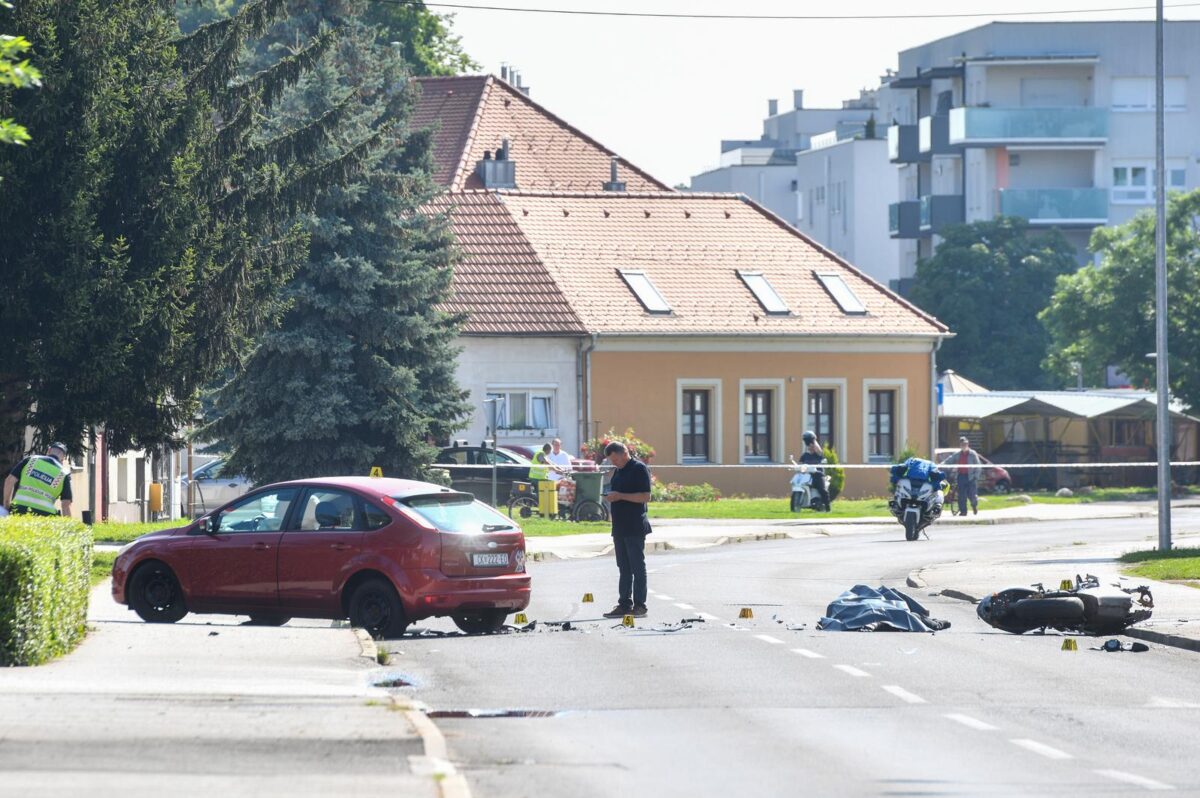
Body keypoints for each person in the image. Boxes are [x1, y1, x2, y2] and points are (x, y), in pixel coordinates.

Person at [600, 441, 652, 619]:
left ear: (624, 453)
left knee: (637, 566)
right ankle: (624, 603)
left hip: (634, 525)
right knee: (623, 567)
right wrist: (611, 496)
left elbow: (646, 496)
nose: (614, 463)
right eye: (611, 460)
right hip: (620, 527)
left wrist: (620, 496)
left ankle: (640, 605)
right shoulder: (619, 471)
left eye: (615, 459)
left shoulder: (639, 469)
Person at [4, 442, 73, 517]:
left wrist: (7, 505)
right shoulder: (64, 473)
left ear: (49, 450)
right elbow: (66, 504)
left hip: (20, 509)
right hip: (45, 515)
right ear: (63, 458)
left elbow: (9, 481)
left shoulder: (30, 460)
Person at [946, 436, 981, 515]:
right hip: (961, 476)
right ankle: (963, 512)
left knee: (972, 495)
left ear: (968, 444)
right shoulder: (957, 454)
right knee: (961, 496)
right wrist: (940, 465)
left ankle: (974, 506)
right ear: (960, 445)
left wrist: (976, 476)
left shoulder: (973, 454)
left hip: (971, 477)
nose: (964, 445)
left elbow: (978, 465)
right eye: (962, 444)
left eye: (965, 444)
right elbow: (949, 460)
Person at [798, 430, 832, 511]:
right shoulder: (805, 455)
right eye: (809, 444)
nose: (810, 446)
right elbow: (800, 464)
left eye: (812, 444)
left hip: (818, 474)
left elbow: (819, 451)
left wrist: (813, 440)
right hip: (807, 475)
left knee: (822, 490)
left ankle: (828, 508)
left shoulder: (818, 454)